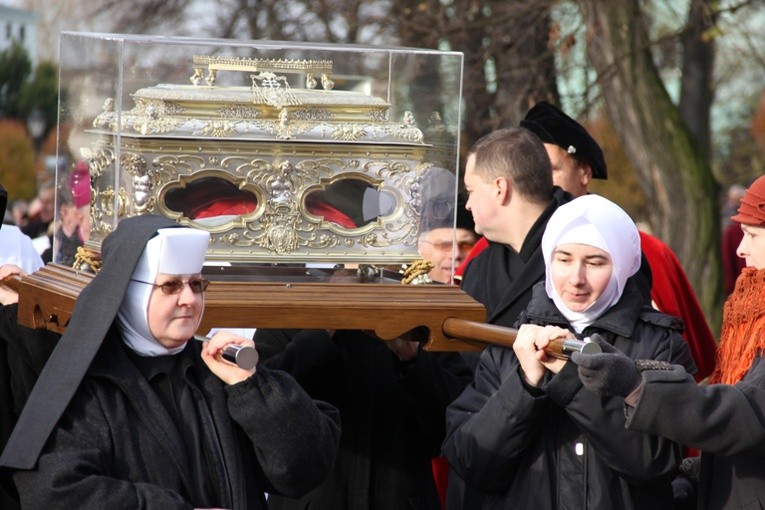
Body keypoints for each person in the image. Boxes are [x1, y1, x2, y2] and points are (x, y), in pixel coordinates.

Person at [0, 215, 341, 509]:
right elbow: (53, 493)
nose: (189, 299)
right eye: (170, 286)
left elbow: (303, 469)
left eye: (197, 284)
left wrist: (253, 389)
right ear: (129, 292)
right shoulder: (88, 382)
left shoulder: (221, 371)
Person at [443, 194, 696, 509]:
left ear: (623, 265)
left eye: (595, 262)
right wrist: (524, 386)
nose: (576, 279)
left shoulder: (659, 343)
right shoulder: (515, 341)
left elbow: (652, 464)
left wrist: (570, 380)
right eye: (563, 259)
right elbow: (473, 464)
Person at [457, 101, 717, 382]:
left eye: (551, 169)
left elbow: (638, 352)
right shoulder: (483, 258)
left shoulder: (626, 247)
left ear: (584, 173)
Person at [253, 181, 474, 510]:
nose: (366, 268)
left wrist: (411, 357)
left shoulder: (423, 318)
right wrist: (326, 326)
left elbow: (456, 425)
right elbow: (266, 413)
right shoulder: (292, 314)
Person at [571, 175, 765, 509]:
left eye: (752, 235)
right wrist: (698, 477)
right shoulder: (752, 307)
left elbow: (748, 414)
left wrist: (636, 385)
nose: (739, 248)